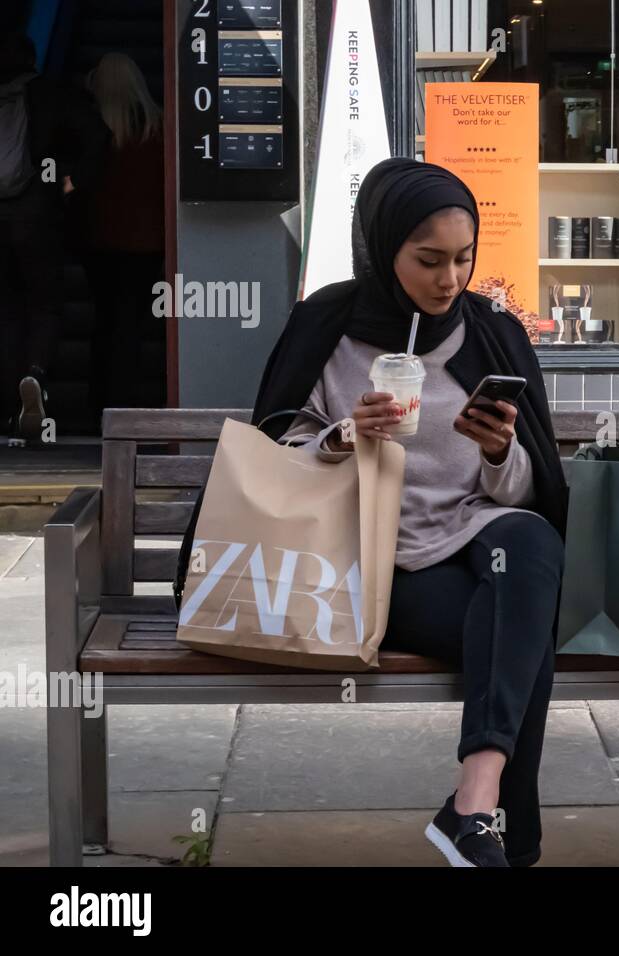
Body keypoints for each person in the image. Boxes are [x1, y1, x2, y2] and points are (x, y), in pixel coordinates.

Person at [178, 159, 569, 867]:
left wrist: (497, 452)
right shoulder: (326, 328)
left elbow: (526, 494)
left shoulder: (490, 334)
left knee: (531, 543)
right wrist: (344, 436)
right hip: (372, 559)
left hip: (478, 535)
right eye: (429, 260)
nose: (450, 280)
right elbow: (278, 461)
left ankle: (475, 800)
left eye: (464, 258)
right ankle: (502, 834)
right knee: (523, 635)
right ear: (384, 249)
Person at [0, 31, 107, 442]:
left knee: (8, 310)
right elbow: (98, 135)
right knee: (44, 305)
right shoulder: (52, 94)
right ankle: (34, 375)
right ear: (31, 59)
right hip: (35, 215)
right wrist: (73, 181)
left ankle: (10, 407)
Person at [82, 52, 165, 418]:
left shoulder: (92, 128)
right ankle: (123, 405)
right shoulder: (158, 127)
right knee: (130, 324)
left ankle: (97, 404)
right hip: (146, 244)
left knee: (104, 319)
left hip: (99, 241)